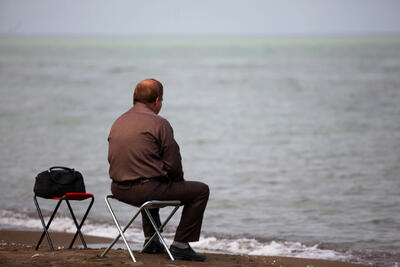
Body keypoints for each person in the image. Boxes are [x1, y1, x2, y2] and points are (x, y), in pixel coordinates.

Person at [107, 78, 209, 261]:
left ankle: (152, 241)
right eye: (161, 101)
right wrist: (177, 180)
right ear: (157, 101)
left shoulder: (118, 122)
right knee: (200, 191)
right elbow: (174, 164)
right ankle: (181, 245)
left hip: (118, 189)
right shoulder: (159, 123)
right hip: (145, 192)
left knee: (152, 179)